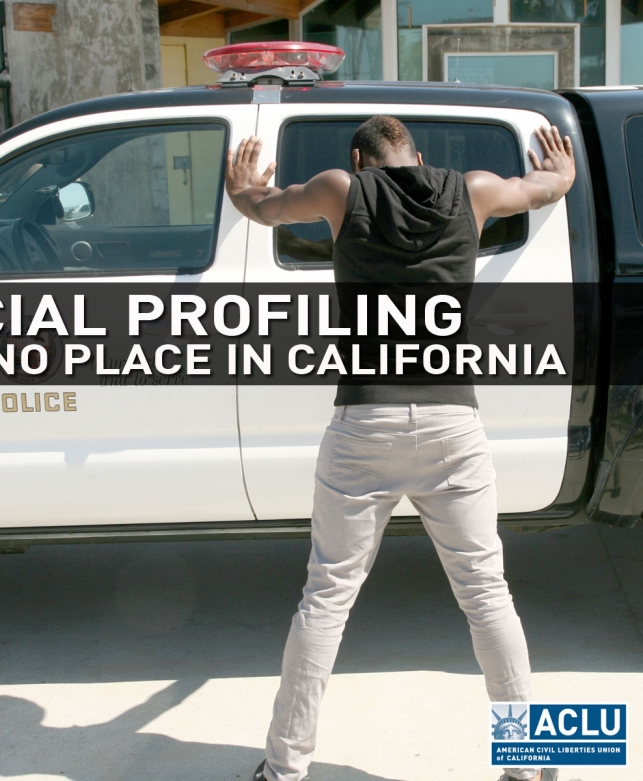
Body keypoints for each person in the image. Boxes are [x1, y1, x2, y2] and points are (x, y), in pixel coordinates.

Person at [225, 116, 576, 781]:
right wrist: (559, 173)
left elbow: (265, 209)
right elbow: (539, 188)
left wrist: (242, 188)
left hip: (365, 423)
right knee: (486, 594)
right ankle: (527, 765)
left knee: (325, 596)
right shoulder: (470, 190)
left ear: (361, 160)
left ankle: (283, 768)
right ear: (417, 156)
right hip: (451, 425)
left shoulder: (339, 189)